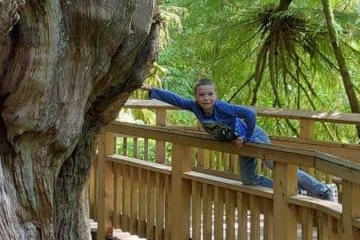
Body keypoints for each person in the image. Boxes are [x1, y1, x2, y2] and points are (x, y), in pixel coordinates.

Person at [143, 78, 337, 202]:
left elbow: (249, 114)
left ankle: (323, 190)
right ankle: (294, 191)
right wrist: (151, 90)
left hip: (253, 136)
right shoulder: (195, 107)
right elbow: (174, 99)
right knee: (249, 179)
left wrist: (245, 136)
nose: (206, 98)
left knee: (274, 164)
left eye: (210, 94)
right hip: (241, 143)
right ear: (196, 97)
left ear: (216, 95)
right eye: (202, 95)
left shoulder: (223, 107)